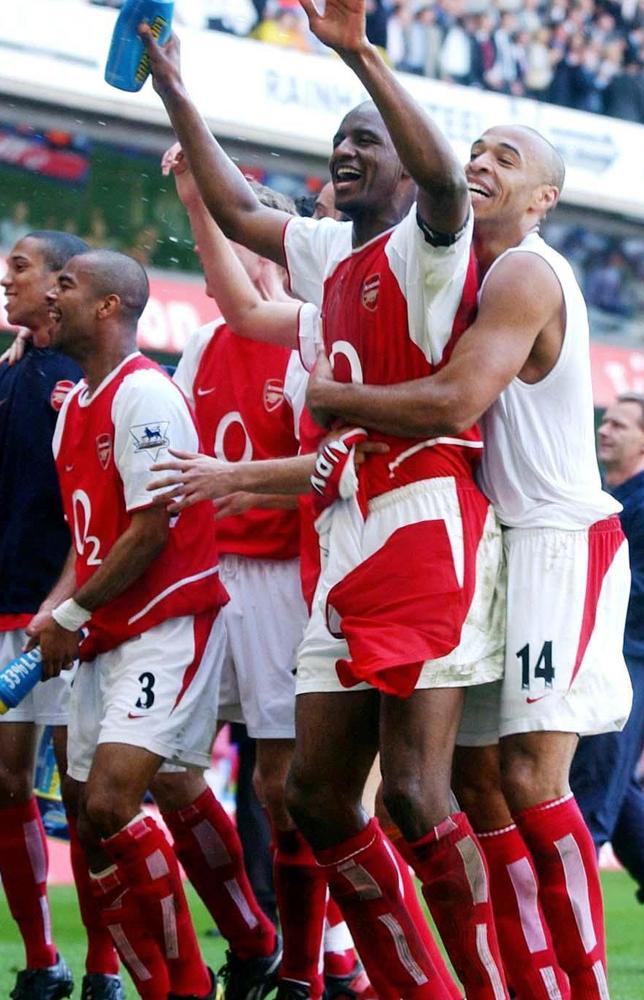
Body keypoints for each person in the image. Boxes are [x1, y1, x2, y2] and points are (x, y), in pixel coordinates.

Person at [142, 4, 507, 998]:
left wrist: (356, 55)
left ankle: (473, 984)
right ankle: (409, 984)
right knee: (308, 792)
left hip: (421, 518)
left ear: (401, 162)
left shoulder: (429, 248)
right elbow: (236, 210)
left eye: (364, 140)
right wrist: (177, 93)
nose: (344, 151)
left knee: (421, 795)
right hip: (342, 528)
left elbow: (440, 178)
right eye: (337, 139)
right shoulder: (323, 256)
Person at [304, 123, 632, 999]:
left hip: (560, 538)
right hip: (496, 544)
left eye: (508, 159)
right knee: (477, 787)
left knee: (527, 779)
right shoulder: (448, 278)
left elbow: (452, 400)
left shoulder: (526, 270)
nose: (483, 164)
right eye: (476, 151)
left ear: (544, 200)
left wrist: (334, 397)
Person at [151, 144, 376, 1000]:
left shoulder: (307, 342)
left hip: (288, 578)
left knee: (286, 786)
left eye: (235, 233)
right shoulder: (204, 343)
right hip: (212, 581)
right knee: (168, 769)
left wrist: (233, 484)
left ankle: (319, 964)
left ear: (272, 252)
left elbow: (324, 475)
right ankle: (255, 940)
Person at [31, 248, 230, 1000]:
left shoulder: (146, 395)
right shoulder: (74, 409)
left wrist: (71, 612)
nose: (53, 293)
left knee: (115, 802)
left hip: (165, 623)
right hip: (102, 632)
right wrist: (59, 608)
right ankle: (165, 982)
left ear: (110, 306)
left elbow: (150, 530)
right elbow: (89, 544)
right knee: (86, 815)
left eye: (67, 284)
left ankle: (188, 985)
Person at [0, 230, 126, 1000]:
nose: (5, 277)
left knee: (86, 794)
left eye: (19, 266)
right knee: (10, 782)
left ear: (61, 285)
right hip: (11, 604)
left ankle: (106, 971)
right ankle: (45, 964)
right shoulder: (14, 370)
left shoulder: (88, 382)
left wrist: (69, 603)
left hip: (74, 616)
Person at [571, 393, 644, 904]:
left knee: (594, 787)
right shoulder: (601, 495)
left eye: (621, 425)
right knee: (615, 789)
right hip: (597, 650)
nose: (606, 430)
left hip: (634, 657)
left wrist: (576, 585)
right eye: (605, 422)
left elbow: (642, 587)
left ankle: (567, 950)